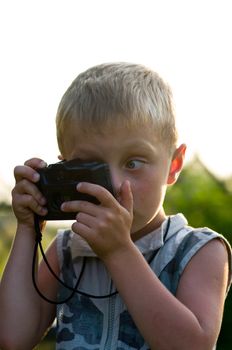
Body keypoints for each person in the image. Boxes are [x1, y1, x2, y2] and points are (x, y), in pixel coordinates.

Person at [0, 63, 231, 350]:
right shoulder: (67, 251)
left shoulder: (199, 250)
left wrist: (119, 251)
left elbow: (192, 346)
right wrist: (27, 228)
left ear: (174, 165)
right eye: (92, 167)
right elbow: (12, 337)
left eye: (133, 163)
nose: (115, 185)